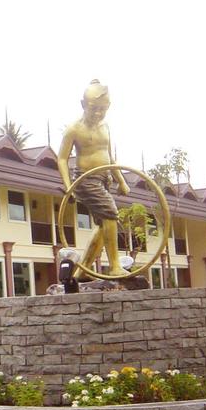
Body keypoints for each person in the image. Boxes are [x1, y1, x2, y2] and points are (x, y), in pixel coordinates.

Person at [58, 79, 130, 277]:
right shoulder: (74, 129)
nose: (98, 113)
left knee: (102, 226)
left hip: (104, 178)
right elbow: (62, 159)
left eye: (102, 109)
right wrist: (68, 186)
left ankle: (81, 272)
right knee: (110, 215)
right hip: (85, 180)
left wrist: (121, 180)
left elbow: (110, 158)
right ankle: (115, 266)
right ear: (83, 105)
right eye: (93, 108)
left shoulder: (105, 127)